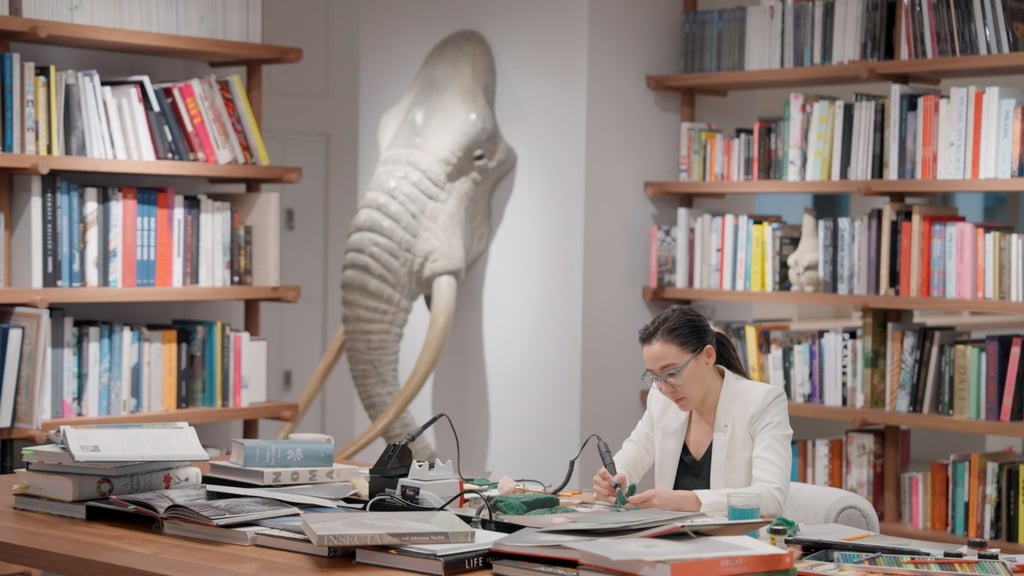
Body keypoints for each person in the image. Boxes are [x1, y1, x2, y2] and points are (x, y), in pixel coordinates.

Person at [592, 305, 792, 516]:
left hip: (735, 536)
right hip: (671, 535)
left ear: (708, 356)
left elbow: (771, 497)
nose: (664, 387)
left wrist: (689, 501)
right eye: (654, 376)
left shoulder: (763, 402)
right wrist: (612, 481)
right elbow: (629, 460)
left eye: (672, 372)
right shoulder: (660, 400)